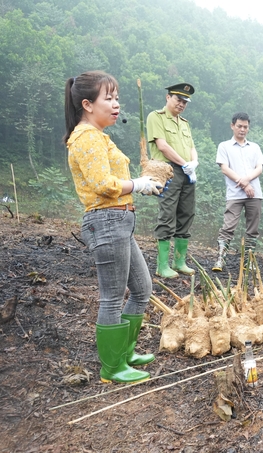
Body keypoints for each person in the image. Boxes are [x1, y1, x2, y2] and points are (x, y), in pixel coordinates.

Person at [65, 71, 163, 383]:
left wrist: (143, 183)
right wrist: (139, 184)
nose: (116, 104)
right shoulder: (87, 138)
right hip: (106, 221)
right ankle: (112, 368)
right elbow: (101, 184)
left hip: (118, 220)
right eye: (108, 98)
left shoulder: (98, 136)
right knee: (111, 296)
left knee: (142, 288)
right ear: (87, 104)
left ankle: (125, 353)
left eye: (116, 97)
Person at [147, 82, 198, 278]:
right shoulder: (156, 117)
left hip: (188, 172)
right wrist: (184, 163)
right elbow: (162, 146)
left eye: (185, 101)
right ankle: (162, 266)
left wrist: (194, 162)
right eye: (178, 99)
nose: (182, 104)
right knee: (167, 214)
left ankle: (179, 262)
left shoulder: (184, 123)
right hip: (168, 171)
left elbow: (192, 146)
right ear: (168, 98)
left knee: (187, 213)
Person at [212, 113, 263, 271]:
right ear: (232, 126)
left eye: (245, 127)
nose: (242, 129)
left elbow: (259, 168)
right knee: (228, 226)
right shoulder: (224, 146)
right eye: (239, 126)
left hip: (254, 194)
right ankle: (220, 259)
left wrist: (247, 180)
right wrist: (243, 184)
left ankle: (249, 261)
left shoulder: (254, 147)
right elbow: (224, 168)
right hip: (235, 194)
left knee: (253, 228)